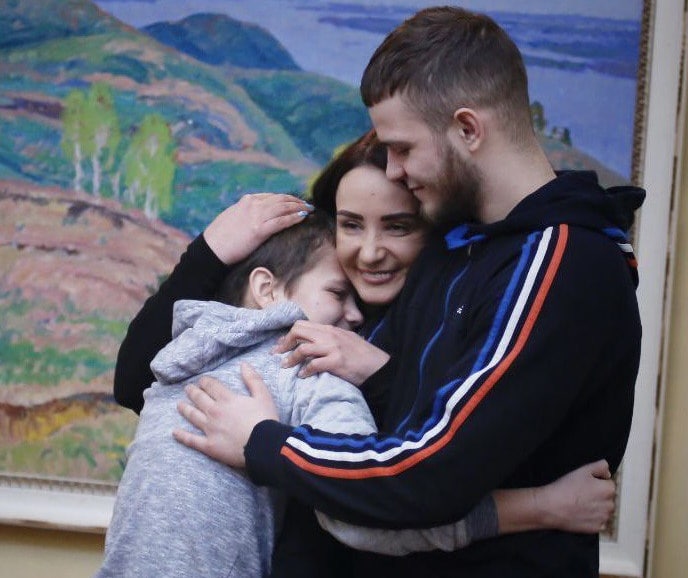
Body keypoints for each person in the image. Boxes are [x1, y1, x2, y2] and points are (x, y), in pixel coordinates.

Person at [172, 7, 644, 577]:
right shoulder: (457, 244)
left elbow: (428, 474)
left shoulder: (562, 264)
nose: (393, 171)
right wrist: (382, 372)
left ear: (468, 130)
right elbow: (423, 411)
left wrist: (263, 443)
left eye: (402, 148)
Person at [104, 209, 611, 578]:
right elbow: (370, 520)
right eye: (337, 294)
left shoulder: (177, 358)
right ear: (267, 289)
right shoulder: (305, 370)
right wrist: (540, 505)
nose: (353, 317)